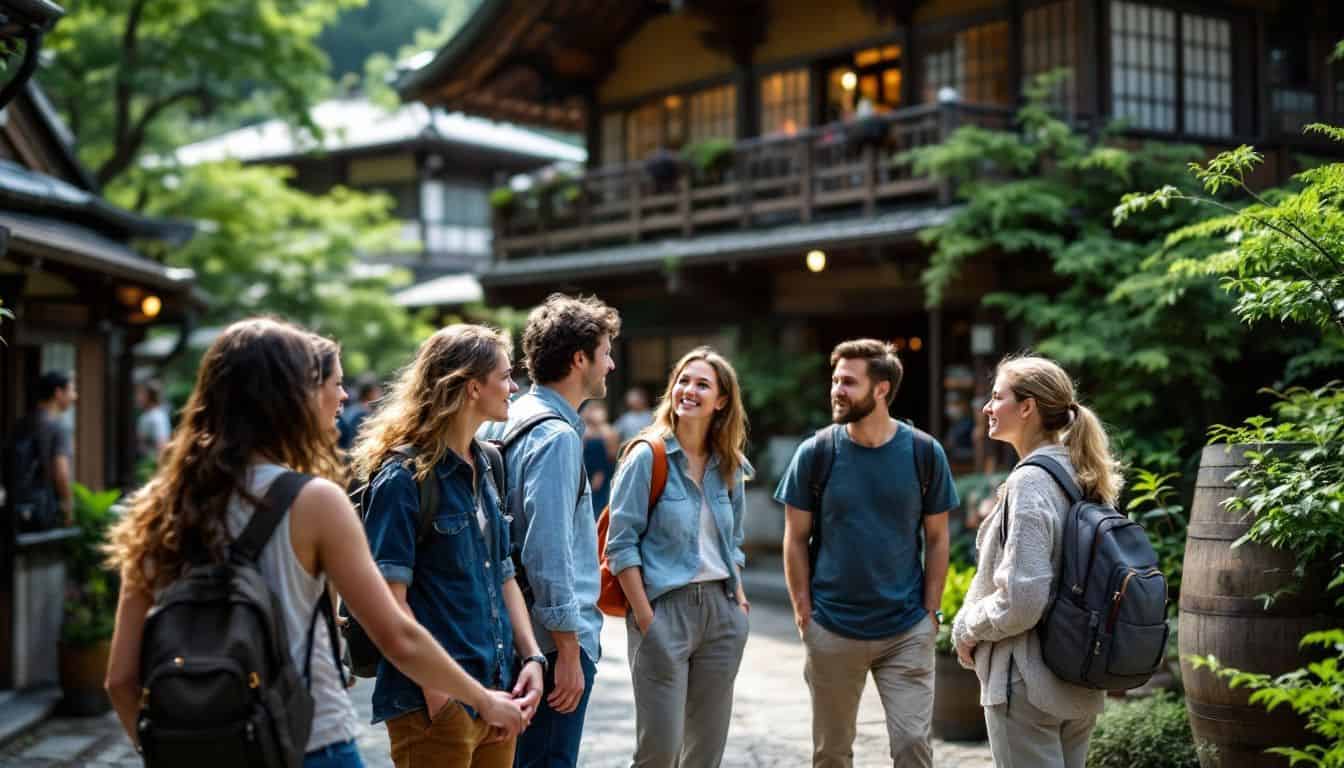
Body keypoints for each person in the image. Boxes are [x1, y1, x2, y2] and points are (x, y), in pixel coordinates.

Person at [104, 318, 529, 768]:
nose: (340, 397)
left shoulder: (159, 509)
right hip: (311, 742)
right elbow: (397, 636)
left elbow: (119, 680)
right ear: (286, 399)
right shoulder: (315, 502)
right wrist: (482, 700)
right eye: (323, 384)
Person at [350, 325, 546, 767]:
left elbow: (504, 571)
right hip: (434, 705)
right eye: (505, 375)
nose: (514, 386)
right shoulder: (403, 479)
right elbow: (390, 602)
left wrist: (531, 657)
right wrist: (442, 699)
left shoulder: (490, 462)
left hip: (500, 690)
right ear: (473, 386)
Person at [776, 339, 959, 768]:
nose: (837, 389)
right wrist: (804, 611)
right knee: (832, 754)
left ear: (880, 389)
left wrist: (931, 612)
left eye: (849, 382)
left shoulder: (923, 453)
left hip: (905, 629)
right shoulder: (816, 453)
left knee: (913, 745)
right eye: (835, 380)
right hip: (834, 627)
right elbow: (794, 538)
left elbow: (937, 539)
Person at [952, 354, 1121, 768]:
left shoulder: (1030, 482)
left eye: (997, 397)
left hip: (1026, 680)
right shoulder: (1083, 474)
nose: (987, 408)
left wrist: (967, 626)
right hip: (1077, 677)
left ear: (1026, 408)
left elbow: (1023, 600)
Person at [478, 293, 619, 768]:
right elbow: (549, 550)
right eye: (605, 353)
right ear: (580, 359)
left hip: (499, 630)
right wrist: (568, 652)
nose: (612, 364)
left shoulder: (500, 419)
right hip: (543, 644)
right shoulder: (556, 435)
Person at [606, 346, 752, 768]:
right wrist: (646, 616)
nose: (689, 390)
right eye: (683, 381)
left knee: (705, 753)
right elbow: (620, 543)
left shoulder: (729, 465)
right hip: (664, 610)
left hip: (721, 615)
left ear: (721, 400)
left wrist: (738, 599)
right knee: (659, 752)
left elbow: (735, 540)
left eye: (702, 384)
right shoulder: (645, 456)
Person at [12, 370, 78, 528]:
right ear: (58, 393)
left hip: (15, 503)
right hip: (44, 506)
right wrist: (68, 507)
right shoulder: (58, 426)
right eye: (72, 390)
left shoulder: (22, 422)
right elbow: (60, 471)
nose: (75, 396)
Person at [581, 402, 617, 514]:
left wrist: (600, 473)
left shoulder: (608, 431)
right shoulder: (583, 430)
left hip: (602, 473)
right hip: (585, 471)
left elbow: (612, 455)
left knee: (598, 506)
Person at [339, 375, 382, 450]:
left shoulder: (352, 409)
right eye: (377, 390)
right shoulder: (362, 414)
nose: (380, 393)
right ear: (369, 392)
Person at [135, 379, 171, 462]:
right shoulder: (148, 415)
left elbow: (162, 443)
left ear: (149, 396)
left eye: (141, 394)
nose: (138, 398)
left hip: (152, 463)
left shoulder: (157, 416)